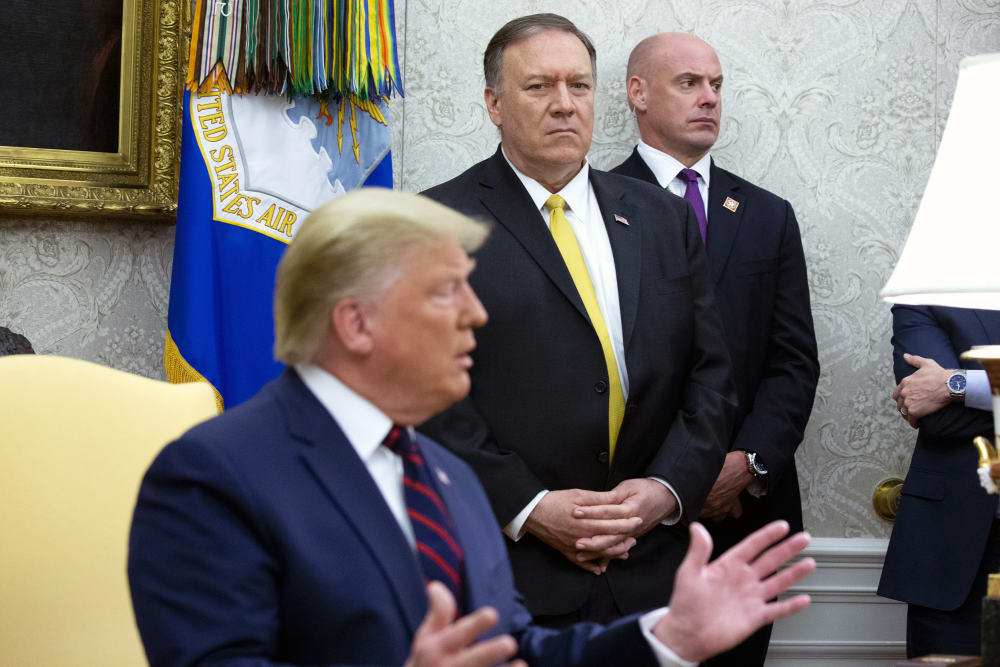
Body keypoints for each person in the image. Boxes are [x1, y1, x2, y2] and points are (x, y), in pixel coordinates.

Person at [127, 189, 815, 667]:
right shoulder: (213, 477)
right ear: (355, 321)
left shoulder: (446, 474)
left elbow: (513, 647)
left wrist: (669, 636)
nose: (476, 315)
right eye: (443, 291)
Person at [419, 14, 737, 627]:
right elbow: (427, 399)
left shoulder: (663, 219)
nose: (564, 105)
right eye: (539, 87)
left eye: (580, 86)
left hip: (654, 570)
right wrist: (530, 508)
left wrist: (665, 491)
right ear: (494, 103)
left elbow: (711, 376)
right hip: (510, 574)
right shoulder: (437, 222)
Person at [609, 33, 820, 665]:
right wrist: (668, 481)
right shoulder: (591, 203)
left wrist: (748, 464)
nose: (709, 99)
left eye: (717, 85)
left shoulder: (767, 215)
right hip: (629, 514)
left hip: (742, 516)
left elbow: (793, 361)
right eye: (689, 83)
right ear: (637, 94)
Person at [879, 304, 1000, 658]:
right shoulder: (926, 291)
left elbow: (943, 397)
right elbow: (938, 419)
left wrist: (955, 383)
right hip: (960, 556)